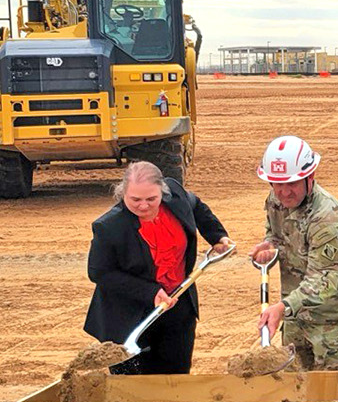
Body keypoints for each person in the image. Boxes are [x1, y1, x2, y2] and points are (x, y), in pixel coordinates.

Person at [84, 161, 232, 375]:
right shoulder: (109, 227)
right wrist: (150, 292)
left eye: (151, 199)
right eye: (135, 200)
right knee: (133, 388)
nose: (143, 206)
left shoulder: (177, 197)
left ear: (163, 192)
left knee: (176, 377)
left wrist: (217, 236)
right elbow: (99, 272)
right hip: (129, 314)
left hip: (178, 305)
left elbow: (197, 206)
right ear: (123, 193)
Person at [248, 136, 338, 371]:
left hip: (330, 319)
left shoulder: (325, 216)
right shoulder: (275, 200)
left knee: (330, 392)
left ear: (310, 177)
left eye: (292, 184)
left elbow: (325, 281)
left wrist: (281, 308)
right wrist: (269, 245)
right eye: (276, 184)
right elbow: (276, 233)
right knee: (293, 385)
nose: (284, 192)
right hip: (294, 313)